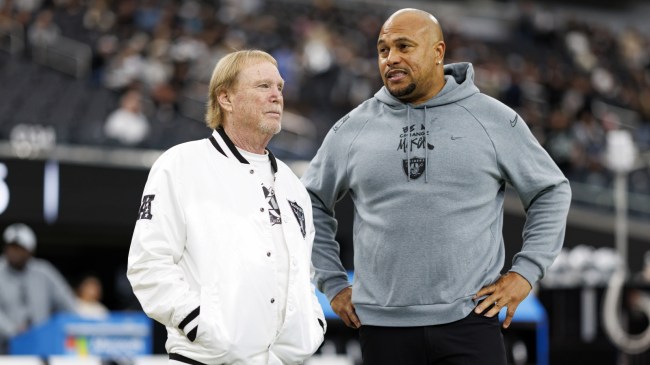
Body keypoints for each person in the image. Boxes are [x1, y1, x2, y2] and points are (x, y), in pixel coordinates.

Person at [301, 8, 572, 365]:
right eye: (383, 50)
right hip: (382, 330)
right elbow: (308, 204)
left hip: (472, 323)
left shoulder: (493, 119)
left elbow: (551, 191)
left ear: (438, 52)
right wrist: (332, 283)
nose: (391, 58)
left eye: (404, 46)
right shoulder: (352, 128)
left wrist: (525, 273)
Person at [127, 50, 326, 365]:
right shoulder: (181, 165)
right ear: (226, 98)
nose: (277, 96)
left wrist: (311, 328)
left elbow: (306, 274)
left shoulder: (293, 185)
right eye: (263, 86)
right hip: (207, 359)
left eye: (280, 88)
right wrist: (200, 325)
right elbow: (148, 264)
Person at [0, 223, 78, 353]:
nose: (14, 252)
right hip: (4, 348)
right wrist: (13, 330)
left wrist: (59, 328)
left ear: (31, 250)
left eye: (19, 248)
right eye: (11, 247)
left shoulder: (44, 272)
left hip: (42, 346)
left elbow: (68, 304)